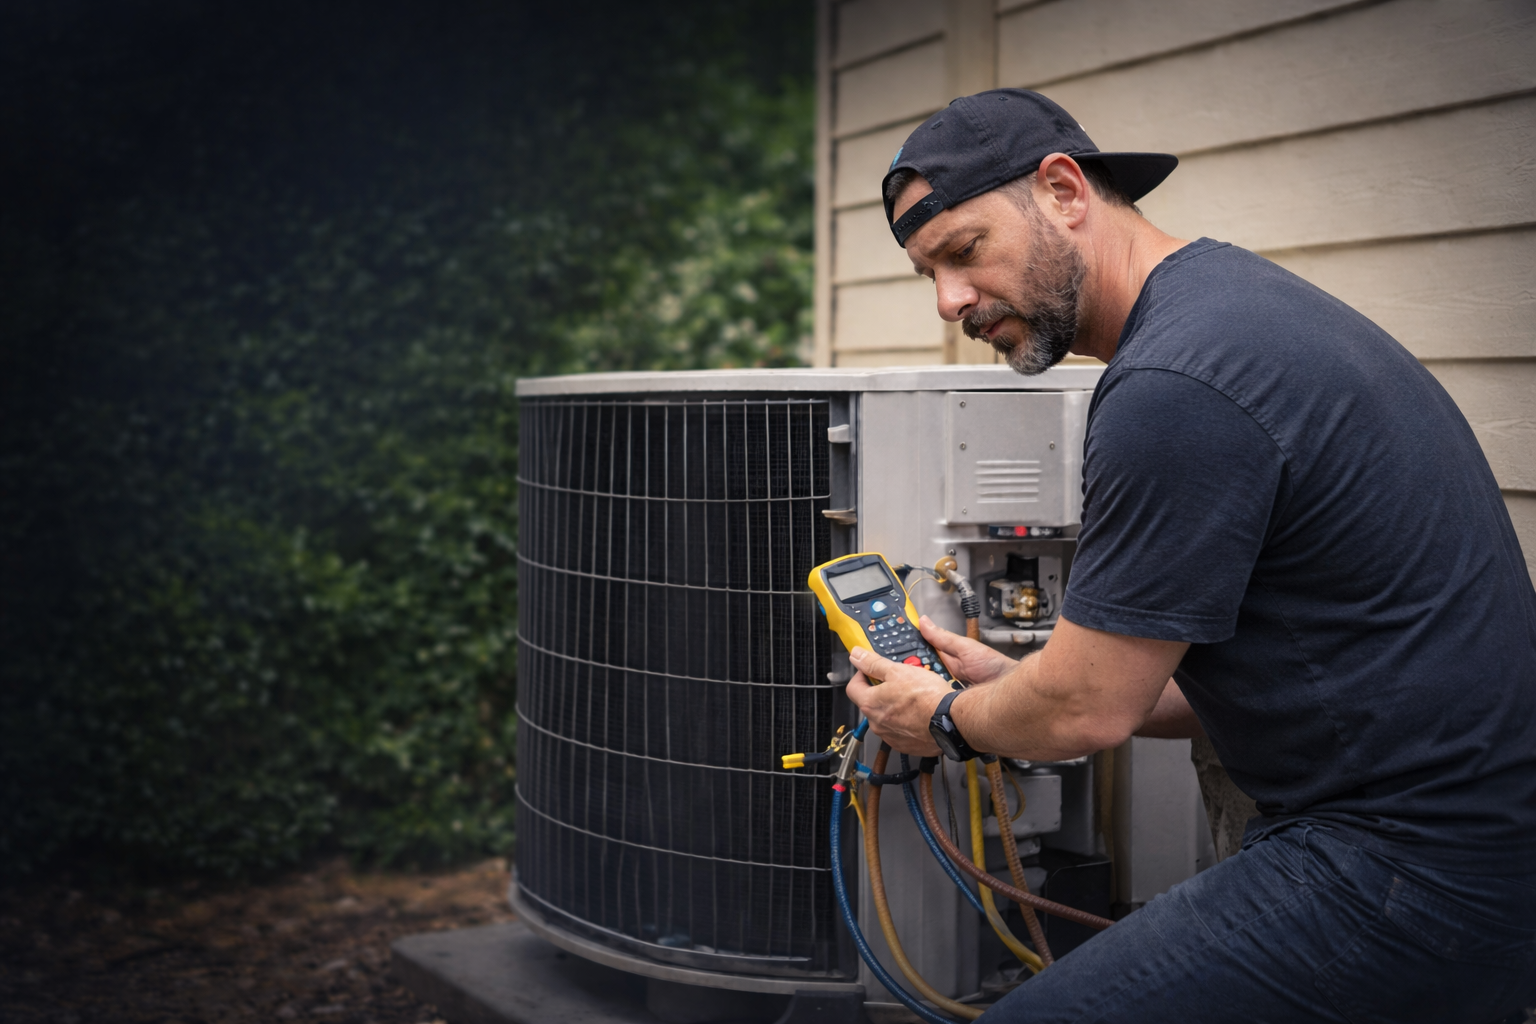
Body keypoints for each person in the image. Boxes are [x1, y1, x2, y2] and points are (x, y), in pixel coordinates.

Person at [847, 88, 1536, 1023]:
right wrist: (1013, 683)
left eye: (963, 253)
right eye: (927, 273)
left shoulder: (1177, 384)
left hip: (1410, 871)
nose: (949, 301)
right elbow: (1140, 687)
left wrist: (951, 719)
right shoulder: (1238, 310)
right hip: (1469, 847)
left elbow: (1085, 711)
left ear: (1062, 189)